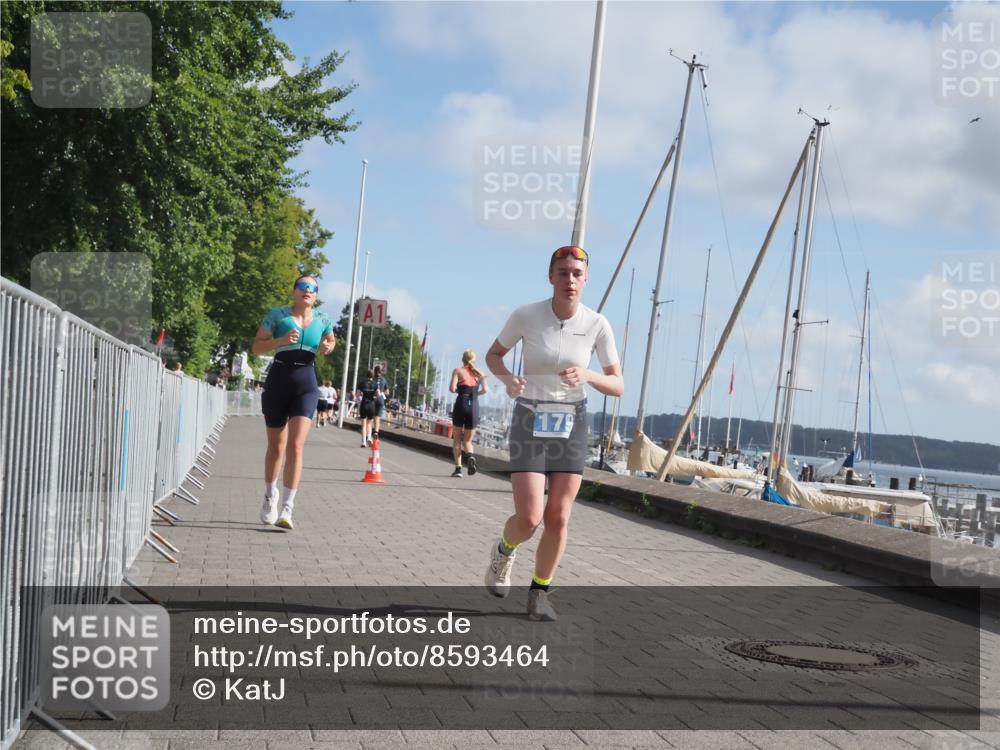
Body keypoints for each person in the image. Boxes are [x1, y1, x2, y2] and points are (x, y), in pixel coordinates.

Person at [484, 246, 622, 621]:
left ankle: (539, 593)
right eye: (563, 273)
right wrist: (509, 380)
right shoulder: (526, 315)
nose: (570, 280)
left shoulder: (598, 324)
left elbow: (618, 384)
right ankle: (503, 551)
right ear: (550, 277)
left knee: (558, 516)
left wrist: (590, 376)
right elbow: (493, 355)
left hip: (572, 421)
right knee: (529, 517)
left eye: (577, 273)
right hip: (530, 416)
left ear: (586, 278)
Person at [252, 275, 335, 530]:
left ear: (316, 295)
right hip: (279, 379)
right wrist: (279, 341)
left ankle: (287, 508)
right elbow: (256, 347)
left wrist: (328, 346)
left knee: (296, 446)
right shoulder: (277, 315)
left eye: (312, 288)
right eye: (303, 287)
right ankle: (270, 496)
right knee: (276, 447)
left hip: (306, 383)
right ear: (294, 291)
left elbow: (331, 340)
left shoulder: (323, 319)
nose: (307, 291)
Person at [448, 350, 488, 477]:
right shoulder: (480, 373)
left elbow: (452, 389)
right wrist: (475, 394)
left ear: (462, 359)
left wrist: (459, 391)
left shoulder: (458, 371)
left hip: (461, 403)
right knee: (468, 441)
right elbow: (485, 390)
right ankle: (470, 457)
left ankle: (458, 469)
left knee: (457, 440)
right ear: (474, 360)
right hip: (474, 406)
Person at [358, 370, 381, 447]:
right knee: (369, 423)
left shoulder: (362, 383)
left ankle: (363, 442)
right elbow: (379, 395)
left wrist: (362, 394)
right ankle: (369, 438)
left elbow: (358, 394)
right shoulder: (375, 384)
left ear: (366, 375)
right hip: (371, 404)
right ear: (373, 376)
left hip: (364, 404)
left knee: (363, 424)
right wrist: (374, 397)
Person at [372, 364, 389, 439]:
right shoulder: (384, 380)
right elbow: (387, 392)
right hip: (381, 400)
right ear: (381, 371)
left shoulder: (372, 379)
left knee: (370, 418)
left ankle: (368, 433)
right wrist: (382, 393)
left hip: (372, 399)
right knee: (377, 418)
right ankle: (376, 432)